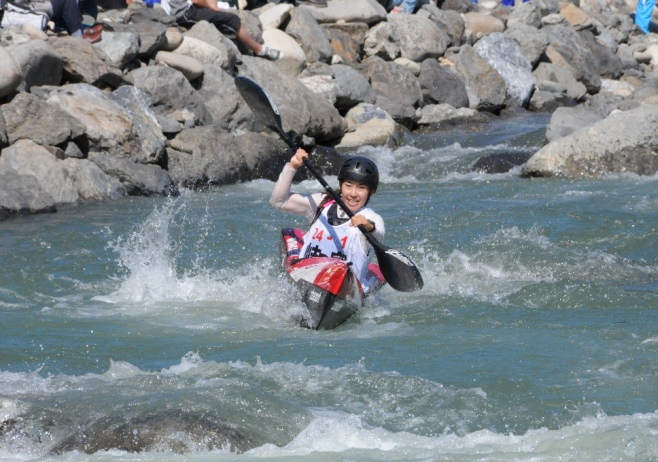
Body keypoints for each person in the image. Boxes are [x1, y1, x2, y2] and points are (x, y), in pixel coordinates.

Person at [270, 148, 385, 292]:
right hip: (306, 275)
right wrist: (292, 167)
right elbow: (279, 201)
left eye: (361, 188)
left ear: (371, 191)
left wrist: (368, 226)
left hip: (344, 288)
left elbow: (378, 233)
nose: (353, 194)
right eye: (348, 186)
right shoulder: (322, 203)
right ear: (341, 185)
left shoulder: (372, 218)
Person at [160, 0, 284, 60]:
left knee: (218, 12)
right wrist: (211, 7)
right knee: (233, 20)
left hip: (182, 9)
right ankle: (259, 50)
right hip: (184, 14)